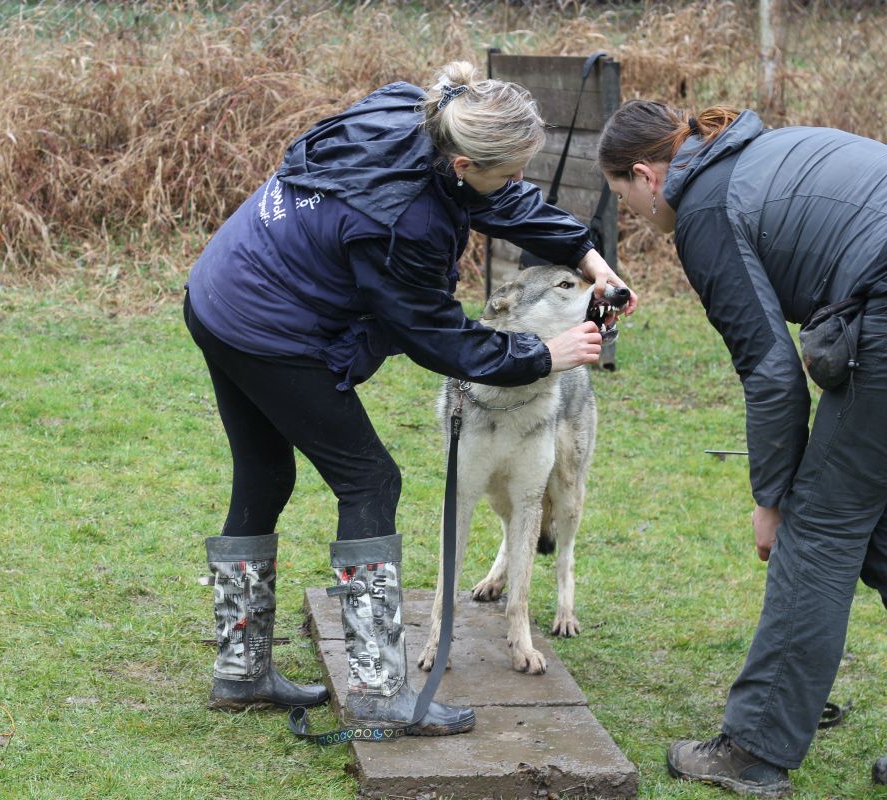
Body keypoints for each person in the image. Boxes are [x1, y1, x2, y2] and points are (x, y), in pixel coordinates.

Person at [185, 59, 636, 737]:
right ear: (460, 164)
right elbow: (437, 337)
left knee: (266, 471)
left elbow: (498, 199)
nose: (515, 185)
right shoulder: (405, 222)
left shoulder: (420, 112)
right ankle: (374, 690)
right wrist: (546, 355)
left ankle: (241, 673)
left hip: (219, 290)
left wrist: (586, 257)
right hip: (265, 326)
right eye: (507, 170)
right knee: (370, 479)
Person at [598, 99, 887, 795]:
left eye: (623, 199)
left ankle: (754, 748)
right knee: (871, 524)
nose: (635, 217)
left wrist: (772, 500)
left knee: (816, 528)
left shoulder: (705, 208)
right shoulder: (759, 150)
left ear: (646, 175)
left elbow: (771, 371)